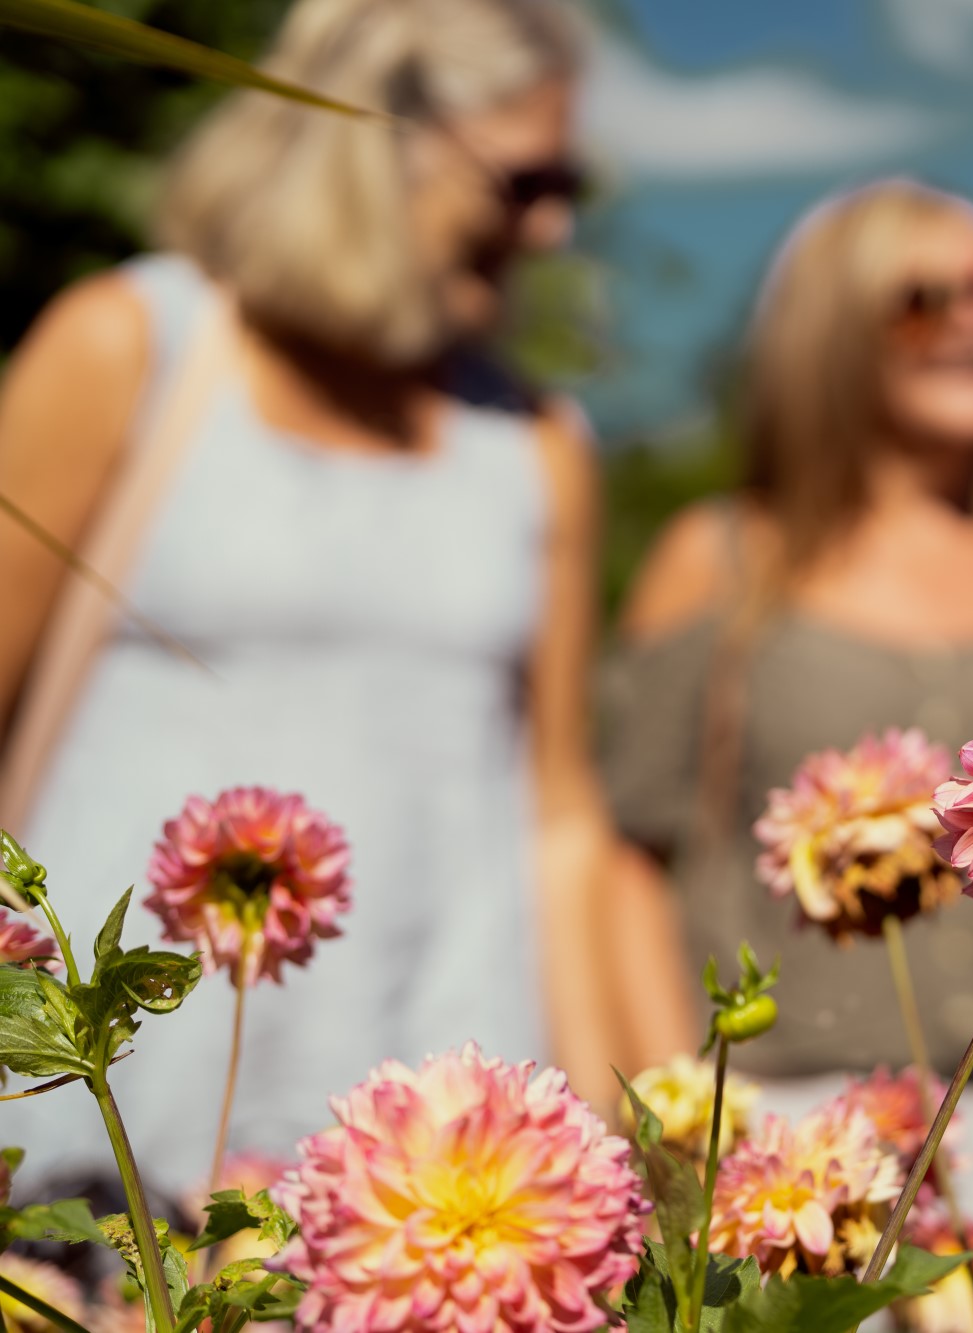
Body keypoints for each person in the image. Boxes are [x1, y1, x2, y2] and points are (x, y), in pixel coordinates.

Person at [0, 0, 620, 1194]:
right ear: (381, 133)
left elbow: (559, 815)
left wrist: (603, 1144)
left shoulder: (534, 442)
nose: (552, 227)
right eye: (530, 178)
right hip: (104, 1138)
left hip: (435, 1171)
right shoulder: (133, 347)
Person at [598, 179, 973, 1222]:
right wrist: (678, 1124)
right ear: (832, 333)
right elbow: (626, 860)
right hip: (789, 1133)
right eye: (927, 298)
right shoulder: (718, 562)